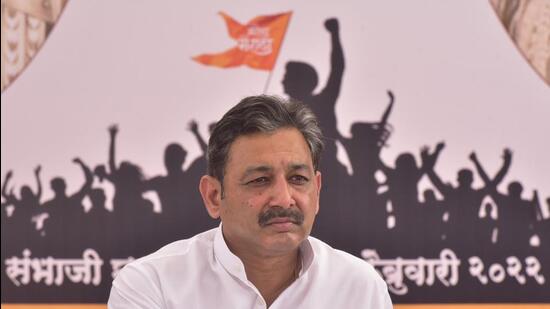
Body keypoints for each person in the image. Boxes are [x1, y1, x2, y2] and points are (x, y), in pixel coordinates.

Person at [108, 95, 392, 308]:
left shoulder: (360, 288)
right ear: (213, 196)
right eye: (260, 180)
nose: (284, 198)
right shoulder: (152, 285)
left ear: (316, 190)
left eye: (298, 179)